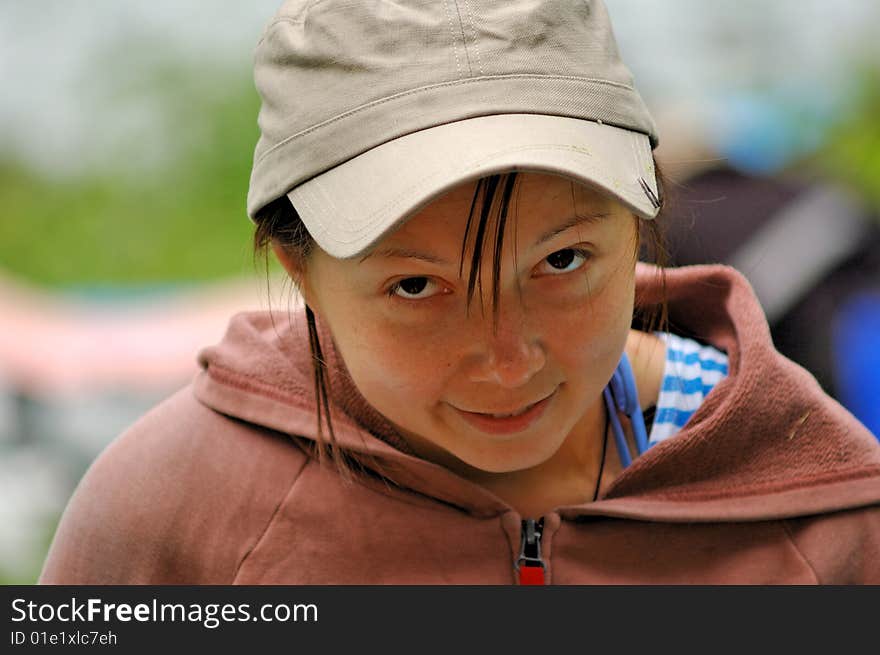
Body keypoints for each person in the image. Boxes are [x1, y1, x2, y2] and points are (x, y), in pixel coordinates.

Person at [39, 0, 880, 585]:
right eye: (416, 284)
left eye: (561, 262)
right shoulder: (170, 513)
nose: (508, 357)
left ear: (640, 222)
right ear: (304, 274)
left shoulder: (819, 508)